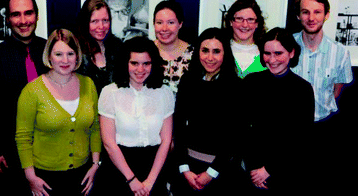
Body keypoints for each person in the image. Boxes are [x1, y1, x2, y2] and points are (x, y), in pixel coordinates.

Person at [0, 0, 49, 195]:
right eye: (16, 14)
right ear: (7, 18)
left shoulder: (51, 52)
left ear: (37, 15)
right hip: (11, 157)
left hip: (51, 150)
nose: (23, 20)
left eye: (28, 13)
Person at [16, 29, 101, 196]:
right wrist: (30, 176)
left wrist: (95, 164)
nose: (65, 60)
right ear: (49, 56)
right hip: (45, 179)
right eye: (58, 54)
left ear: (77, 56)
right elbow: (23, 137)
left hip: (82, 176)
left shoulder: (88, 84)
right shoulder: (32, 91)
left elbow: (95, 128)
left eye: (70, 53)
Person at [292, 0, 353, 192]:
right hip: (289, 132)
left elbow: (337, 90)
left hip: (323, 133)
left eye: (317, 12)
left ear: (326, 15)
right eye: (305, 12)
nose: (311, 18)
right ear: (298, 15)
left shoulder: (340, 53)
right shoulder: (285, 46)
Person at [173, 28, 247, 195]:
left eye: (216, 52)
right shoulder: (188, 81)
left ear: (225, 54)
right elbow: (178, 126)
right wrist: (184, 169)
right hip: (187, 171)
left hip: (221, 174)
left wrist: (211, 173)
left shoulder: (236, 87)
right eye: (205, 50)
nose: (210, 58)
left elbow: (236, 136)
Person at [97, 36, 174, 196]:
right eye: (134, 63)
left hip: (154, 169)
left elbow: (166, 140)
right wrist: (132, 180)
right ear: (125, 63)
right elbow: (109, 143)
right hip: (119, 170)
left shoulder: (164, 92)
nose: (140, 69)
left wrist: (151, 181)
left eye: (146, 63)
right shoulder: (110, 92)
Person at [243, 27, 315, 194]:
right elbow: (243, 129)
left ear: (291, 53)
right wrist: (254, 169)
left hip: (287, 173)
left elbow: (301, 138)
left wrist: (268, 170)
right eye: (267, 53)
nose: (272, 59)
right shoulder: (251, 82)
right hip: (252, 172)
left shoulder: (302, 89)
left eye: (278, 53)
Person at [76, 0, 123, 95]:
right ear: (85, 23)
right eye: (94, 21)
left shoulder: (118, 47)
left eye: (105, 20)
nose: (101, 26)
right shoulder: (76, 50)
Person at [153, 0, 193, 94]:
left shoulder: (194, 55)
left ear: (180, 24)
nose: (164, 28)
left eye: (171, 23)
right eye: (159, 22)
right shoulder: (145, 52)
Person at [223, 0, 267, 78]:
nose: (245, 25)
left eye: (250, 19)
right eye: (239, 19)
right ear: (230, 22)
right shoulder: (220, 49)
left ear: (257, 23)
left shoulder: (267, 51)